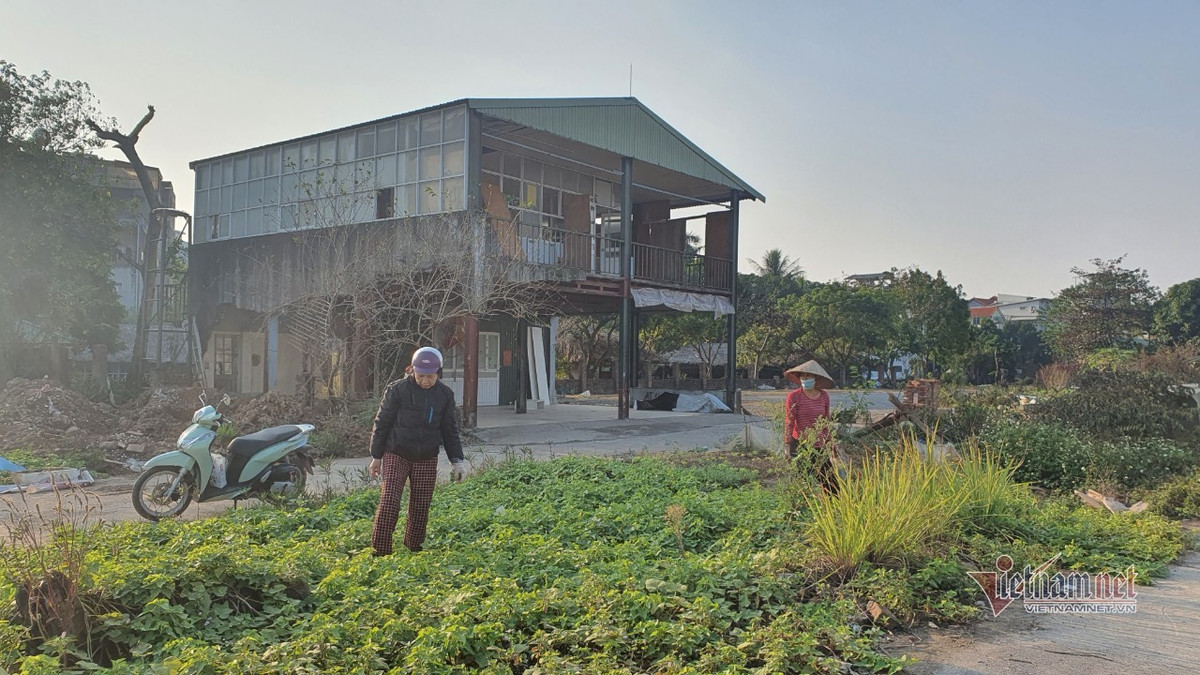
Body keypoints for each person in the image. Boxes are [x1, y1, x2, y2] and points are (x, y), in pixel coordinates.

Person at [368, 347, 465, 555]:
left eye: (430, 377)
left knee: (421, 504)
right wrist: (376, 456)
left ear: (439, 373)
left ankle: (414, 548)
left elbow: (450, 430)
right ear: (412, 370)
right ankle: (381, 551)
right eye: (420, 376)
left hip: (427, 456)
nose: (425, 381)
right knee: (389, 501)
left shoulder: (445, 395)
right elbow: (382, 422)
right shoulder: (397, 390)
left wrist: (457, 461)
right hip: (397, 452)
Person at [782, 360, 837, 487]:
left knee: (830, 483)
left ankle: (831, 505)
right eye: (803, 376)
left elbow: (826, 422)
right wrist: (787, 446)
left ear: (816, 378)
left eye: (809, 375)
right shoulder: (794, 397)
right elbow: (789, 421)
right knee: (804, 481)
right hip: (801, 444)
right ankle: (803, 505)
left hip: (819, 444)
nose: (805, 378)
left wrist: (831, 445)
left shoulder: (824, 396)